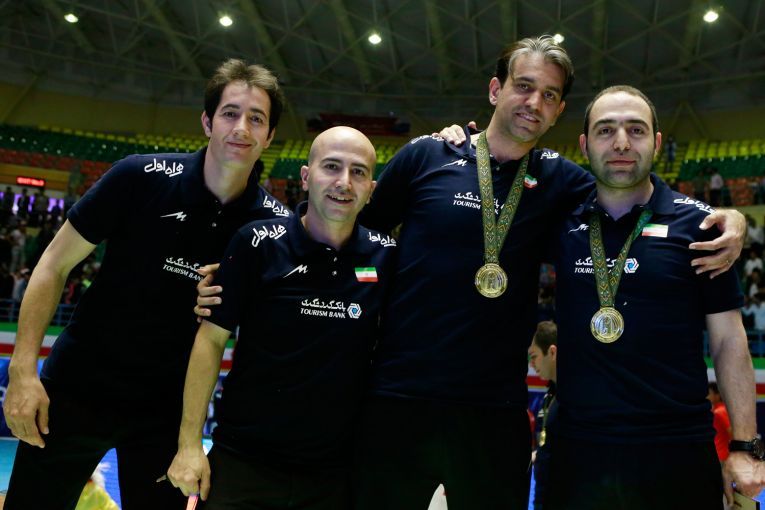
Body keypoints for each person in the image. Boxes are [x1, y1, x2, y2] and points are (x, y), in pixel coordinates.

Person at [196, 37, 745, 510]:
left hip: (494, 411)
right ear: (495, 90)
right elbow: (344, 225)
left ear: (559, 113)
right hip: (398, 400)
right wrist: (248, 264)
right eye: (523, 86)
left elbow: (630, 192)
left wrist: (732, 219)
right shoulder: (427, 157)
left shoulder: (563, 182)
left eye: (549, 95)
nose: (533, 102)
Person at [2, 58, 288, 510]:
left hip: (168, 412)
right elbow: (53, 264)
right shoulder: (138, 176)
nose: (241, 128)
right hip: (78, 389)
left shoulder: (274, 229)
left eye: (256, 118)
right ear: (207, 122)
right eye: (230, 113)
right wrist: (22, 373)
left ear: (270, 136)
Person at [546, 85, 764, 510]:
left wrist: (744, 446)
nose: (621, 143)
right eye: (606, 130)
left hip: (676, 450)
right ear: (584, 145)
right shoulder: (559, 221)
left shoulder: (703, 228)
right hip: (578, 452)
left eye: (636, 130)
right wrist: (457, 139)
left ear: (657, 142)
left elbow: (728, 339)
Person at [166, 126, 395, 509]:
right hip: (243, 462)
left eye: (358, 172)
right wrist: (189, 444)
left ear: (371, 188)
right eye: (331, 167)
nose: (344, 182)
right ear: (306, 177)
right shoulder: (257, 244)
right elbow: (211, 340)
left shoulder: (386, 256)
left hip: (333, 476)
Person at [528, 320, 558, 510]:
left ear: (552, 352)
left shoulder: (573, 402)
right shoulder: (548, 397)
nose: (532, 364)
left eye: (534, 356)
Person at [708, 382, 732, 462]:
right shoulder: (717, 410)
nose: (707, 396)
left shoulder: (720, 411)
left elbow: (732, 433)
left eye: (709, 393)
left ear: (717, 395)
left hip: (721, 456)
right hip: (718, 455)